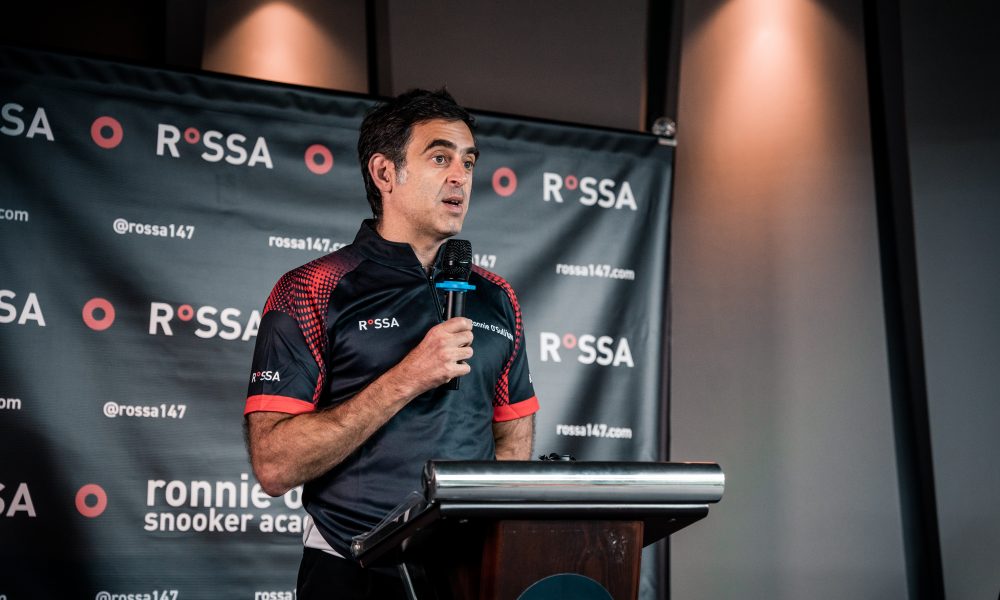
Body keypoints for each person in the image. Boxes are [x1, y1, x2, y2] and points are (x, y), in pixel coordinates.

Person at [243, 88, 539, 599]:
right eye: (440, 158)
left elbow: (512, 438)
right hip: (351, 566)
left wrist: (498, 540)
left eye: (468, 162)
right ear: (385, 173)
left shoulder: (497, 296)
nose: (460, 177)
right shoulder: (311, 288)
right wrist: (408, 377)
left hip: (469, 570)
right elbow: (274, 465)